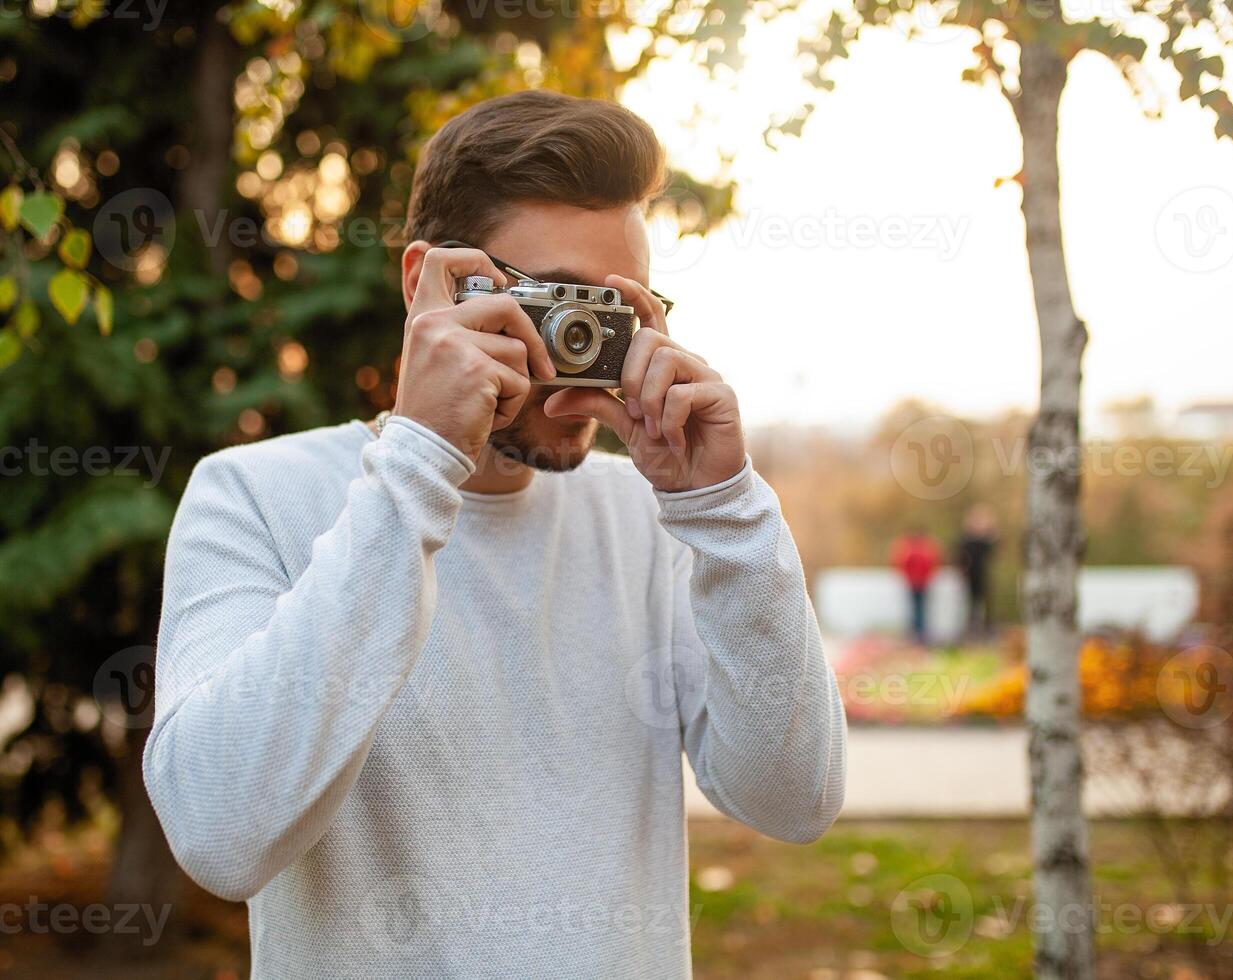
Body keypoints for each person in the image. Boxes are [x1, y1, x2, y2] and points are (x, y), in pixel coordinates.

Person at [142, 91, 845, 978]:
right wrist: (421, 461)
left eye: (614, 308)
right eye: (553, 303)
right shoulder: (253, 496)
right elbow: (217, 833)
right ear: (425, 286)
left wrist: (728, 508)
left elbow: (796, 800)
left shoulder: (655, 519)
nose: (581, 346)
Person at [890, 527, 940, 643]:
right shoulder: (926, 549)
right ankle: (919, 633)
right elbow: (933, 564)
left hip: (915, 582)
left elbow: (900, 564)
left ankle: (917, 632)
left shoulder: (908, 549)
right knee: (920, 608)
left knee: (916, 608)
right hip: (921, 582)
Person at [957, 503, 999, 638]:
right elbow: (960, 555)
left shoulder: (984, 541)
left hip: (982, 575)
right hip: (970, 576)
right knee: (970, 602)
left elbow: (993, 549)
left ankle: (983, 627)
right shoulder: (966, 540)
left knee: (982, 602)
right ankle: (971, 628)